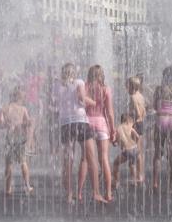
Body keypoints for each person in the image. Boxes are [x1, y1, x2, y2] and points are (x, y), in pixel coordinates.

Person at [54, 63, 106, 204]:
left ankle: (70, 194)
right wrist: (93, 102)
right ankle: (96, 193)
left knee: (68, 160)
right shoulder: (79, 82)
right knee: (90, 156)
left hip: (65, 124)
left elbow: (56, 104)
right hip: (80, 121)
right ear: (73, 73)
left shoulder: (57, 86)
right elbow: (82, 98)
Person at [84, 65, 115, 201]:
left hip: (87, 123)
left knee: (91, 160)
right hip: (102, 124)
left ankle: (95, 192)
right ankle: (108, 193)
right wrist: (112, 129)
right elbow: (110, 112)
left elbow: (82, 105)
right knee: (104, 159)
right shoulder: (106, 89)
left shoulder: (86, 87)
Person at [0, 86, 34, 195]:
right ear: (20, 97)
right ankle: (27, 186)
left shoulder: (5, 108)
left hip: (10, 138)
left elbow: (1, 125)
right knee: (23, 162)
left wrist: (7, 124)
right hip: (20, 138)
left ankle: (8, 188)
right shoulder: (23, 109)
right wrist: (26, 124)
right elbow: (28, 123)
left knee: (8, 163)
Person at [126, 76, 146, 184]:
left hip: (135, 124)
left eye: (127, 86)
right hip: (141, 124)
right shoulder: (141, 96)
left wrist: (129, 117)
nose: (126, 89)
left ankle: (135, 177)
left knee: (133, 151)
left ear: (131, 86)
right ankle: (140, 175)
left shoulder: (133, 97)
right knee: (139, 151)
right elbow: (144, 112)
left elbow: (137, 113)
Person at [112, 113, 139, 189]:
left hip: (127, 150)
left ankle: (116, 182)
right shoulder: (129, 126)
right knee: (132, 164)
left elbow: (115, 142)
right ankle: (134, 181)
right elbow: (137, 136)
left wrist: (115, 143)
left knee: (116, 163)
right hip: (135, 149)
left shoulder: (118, 129)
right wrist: (135, 143)